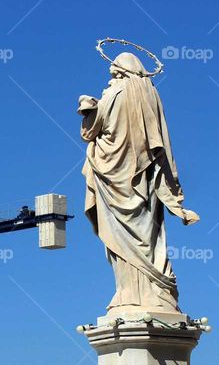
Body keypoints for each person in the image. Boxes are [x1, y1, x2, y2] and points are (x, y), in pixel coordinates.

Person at [79, 52, 199, 311]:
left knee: (120, 239)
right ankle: (158, 293)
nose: (110, 79)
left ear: (119, 72)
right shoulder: (150, 95)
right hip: (145, 181)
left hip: (114, 181)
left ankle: (129, 294)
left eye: (113, 74)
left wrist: (88, 107)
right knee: (150, 235)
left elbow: (89, 132)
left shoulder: (113, 95)